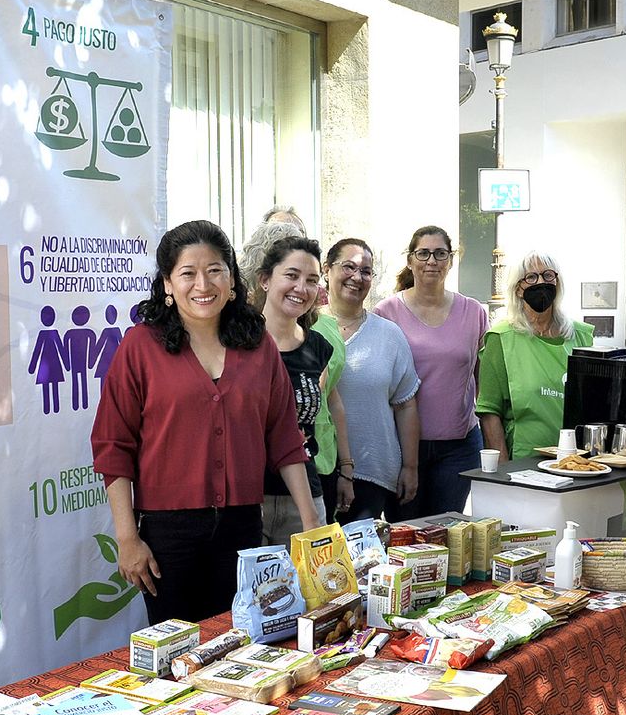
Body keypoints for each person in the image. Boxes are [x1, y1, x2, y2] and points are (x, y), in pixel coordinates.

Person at [91, 219, 318, 625]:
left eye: (215, 270)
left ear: (232, 280)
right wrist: (127, 538)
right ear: (167, 283)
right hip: (168, 534)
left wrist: (311, 522)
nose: (203, 284)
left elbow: (284, 437)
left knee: (240, 642)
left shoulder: (258, 345)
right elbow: (114, 445)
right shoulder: (140, 347)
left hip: (241, 527)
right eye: (188, 273)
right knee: (176, 649)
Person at [374, 226, 487, 516]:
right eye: (423, 253)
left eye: (440, 254)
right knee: (405, 534)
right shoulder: (386, 313)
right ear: (410, 260)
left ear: (451, 260)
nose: (432, 261)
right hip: (401, 447)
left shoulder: (474, 312)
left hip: (459, 448)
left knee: (448, 533)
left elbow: (482, 381)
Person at [253, 236, 353, 541]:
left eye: (311, 280)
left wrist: (346, 468)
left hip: (305, 497)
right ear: (265, 280)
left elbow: (330, 407)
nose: (301, 288)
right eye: (292, 275)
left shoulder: (318, 347)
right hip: (249, 497)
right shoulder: (238, 343)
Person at [318, 238, 421, 521]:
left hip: (372, 473)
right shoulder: (305, 328)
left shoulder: (389, 335)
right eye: (348, 267)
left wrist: (410, 467)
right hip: (318, 469)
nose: (357, 277)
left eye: (365, 271)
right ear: (326, 269)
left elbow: (406, 405)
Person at [476, 251, 595, 460]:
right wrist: (503, 469)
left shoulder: (582, 336)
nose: (541, 282)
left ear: (557, 282)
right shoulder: (501, 338)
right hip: (523, 462)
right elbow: (489, 411)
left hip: (577, 462)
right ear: (518, 289)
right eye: (531, 277)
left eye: (548, 275)